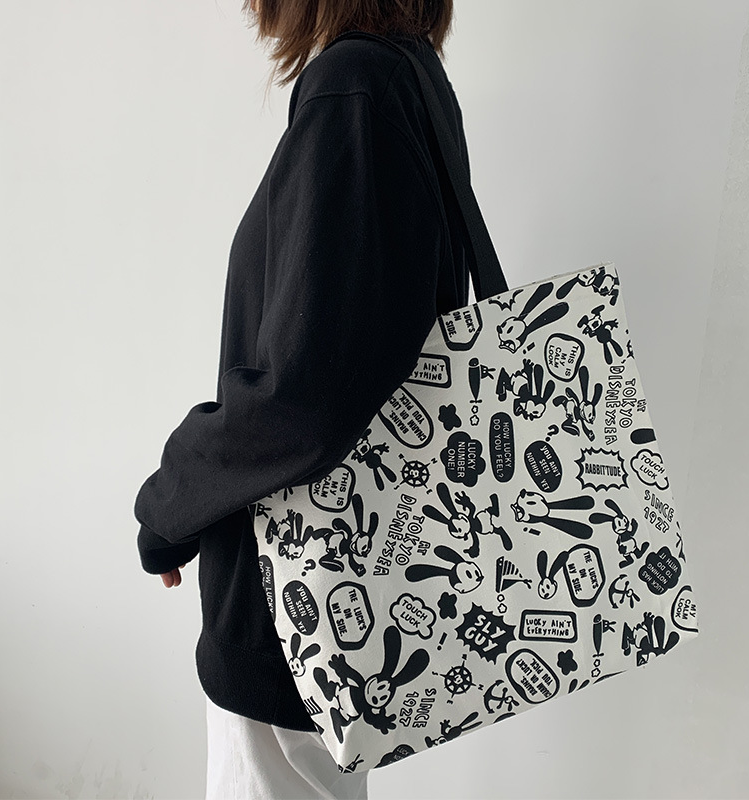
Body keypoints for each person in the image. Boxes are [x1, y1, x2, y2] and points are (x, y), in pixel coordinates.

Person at [133, 0, 474, 796]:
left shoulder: (353, 89)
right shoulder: (408, 76)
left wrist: (171, 501)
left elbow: (304, 396)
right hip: (342, 593)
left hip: (290, 604)